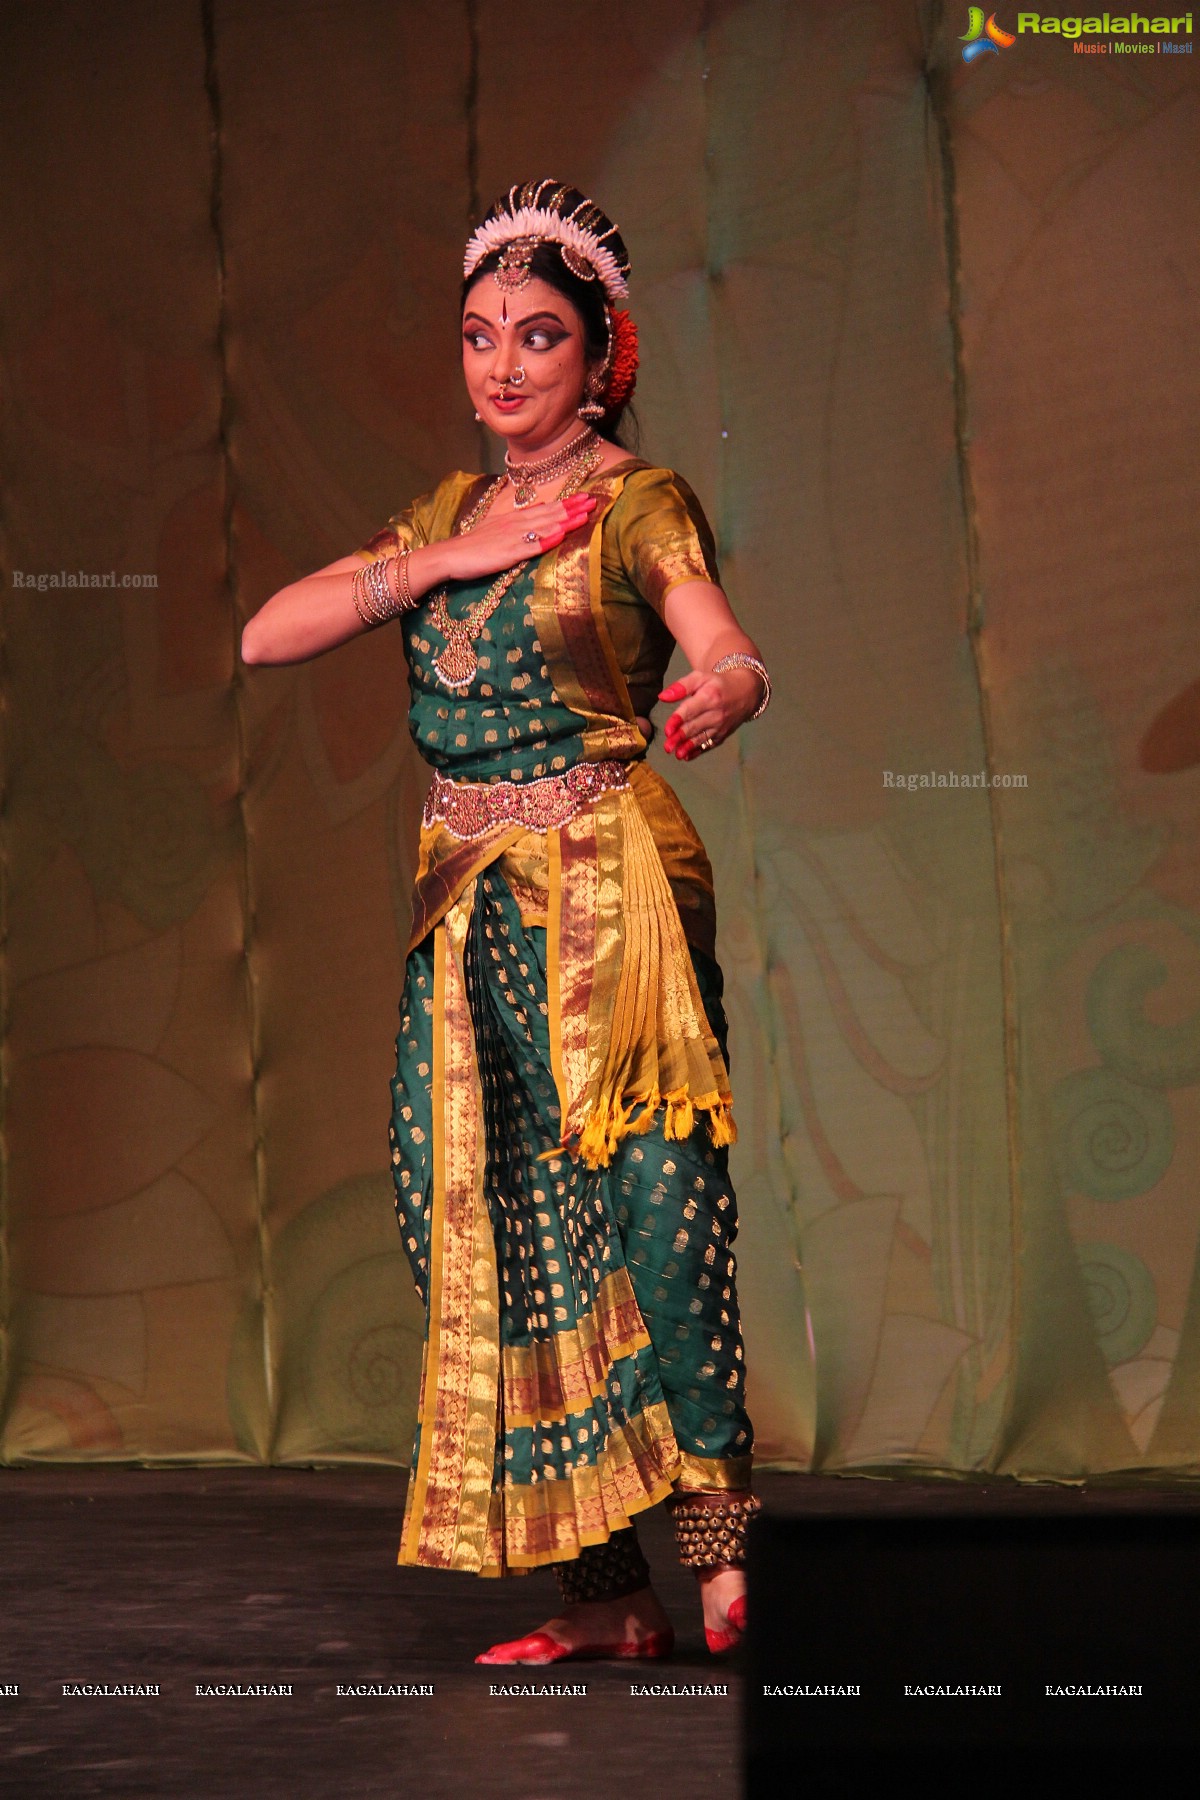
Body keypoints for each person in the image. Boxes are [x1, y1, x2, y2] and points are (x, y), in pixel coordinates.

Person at [242, 180, 772, 1665]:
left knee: (659, 1209)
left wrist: (729, 681)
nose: (505, 366)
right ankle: (604, 1599)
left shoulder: (637, 501)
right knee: (480, 1228)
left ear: (604, 352)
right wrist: (435, 564)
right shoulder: (445, 516)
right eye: (481, 337)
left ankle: (726, 1555)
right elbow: (263, 631)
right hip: (467, 917)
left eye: (541, 335)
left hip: (610, 895)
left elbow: (711, 628)